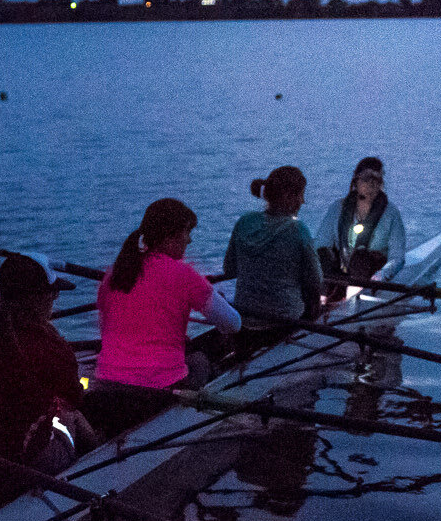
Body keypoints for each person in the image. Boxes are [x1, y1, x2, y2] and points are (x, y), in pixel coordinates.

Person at [91, 197, 240, 436]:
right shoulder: (183, 274)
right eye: (187, 232)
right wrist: (214, 298)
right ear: (170, 236)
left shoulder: (114, 273)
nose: (189, 239)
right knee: (201, 361)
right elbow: (233, 323)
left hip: (107, 387)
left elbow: (110, 326)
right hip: (158, 394)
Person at [0, 251, 94, 480]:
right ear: (42, 298)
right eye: (54, 293)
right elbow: (74, 398)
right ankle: (102, 465)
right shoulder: (48, 344)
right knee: (72, 416)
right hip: (24, 464)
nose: (56, 299)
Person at [224, 166, 323, 348]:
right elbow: (315, 282)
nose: (303, 201)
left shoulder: (244, 222)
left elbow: (229, 269)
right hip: (283, 323)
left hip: (244, 319)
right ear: (288, 197)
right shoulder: (298, 230)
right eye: (301, 195)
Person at [316, 156, 407, 289]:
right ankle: (322, 296)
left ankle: (353, 296)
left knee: (360, 260)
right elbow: (321, 244)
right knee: (323, 254)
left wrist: (382, 275)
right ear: (356, 181)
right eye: (365, 179)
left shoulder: (391, 213)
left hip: (371, 273)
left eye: (376, 180)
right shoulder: (337, 208)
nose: (371, 185)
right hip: (341, 274)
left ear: (381, 183)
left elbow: (397, 257)